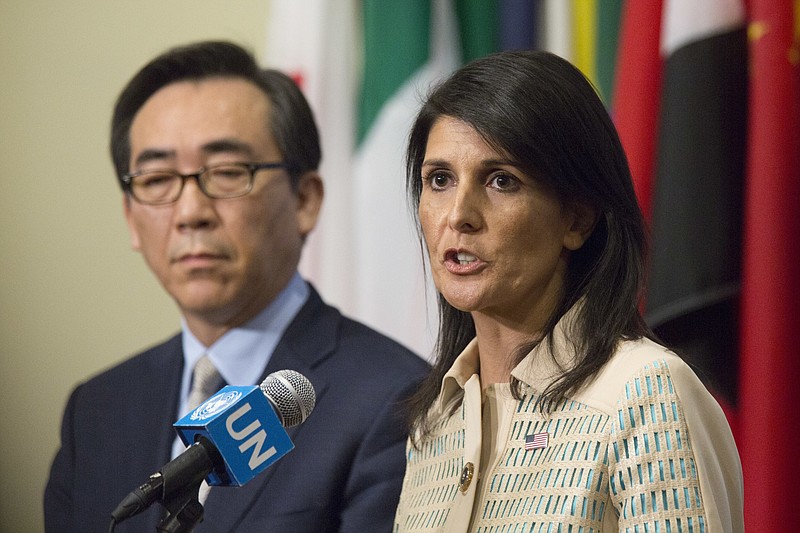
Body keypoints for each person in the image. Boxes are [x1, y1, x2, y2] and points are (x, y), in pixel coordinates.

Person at [44, 40, 429, 533]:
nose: (190, 213)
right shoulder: (97, 410)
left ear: (306, 200)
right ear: (131, 219)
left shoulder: (395, 401)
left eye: (227, 173)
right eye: (157, 179)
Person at [392, 50, 743, 532]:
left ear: (576, 218)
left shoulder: (644, 395)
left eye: (501, 181)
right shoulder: (435, 420)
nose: (458, 215)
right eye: (439, 180)